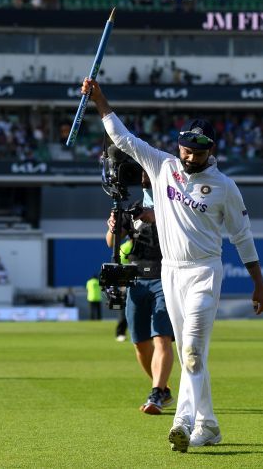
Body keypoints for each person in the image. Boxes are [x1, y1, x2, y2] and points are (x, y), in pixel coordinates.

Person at [82, 77, 263, 453]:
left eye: (197, 150)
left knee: (192, 352)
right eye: (185, 148)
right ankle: (210, 425)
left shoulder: (224, 186)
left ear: (210, 150)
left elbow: (243, 237)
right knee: (190, 355)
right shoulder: (162, 166)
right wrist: (100, 100)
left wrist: (259, 284)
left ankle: (183, 423)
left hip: (204, 272)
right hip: (171, 272)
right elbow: (124, 139)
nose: (189, 156)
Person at [105, 172, 176, 415]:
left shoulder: (175, 206)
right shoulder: (133, 208)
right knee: (139, 343)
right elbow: (111, 242)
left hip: (164, 277)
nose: (145, 176)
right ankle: (162, 387)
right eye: (143, 172)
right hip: (136, 279)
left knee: (162, 338)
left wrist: (157, 218)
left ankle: (156, 393)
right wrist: (113, 225)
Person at [114, 239, 132, 342]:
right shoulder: (125, 248)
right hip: (126, 282)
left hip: (141, 280)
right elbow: (120, 266)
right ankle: (120, 332)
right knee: (124, 308)